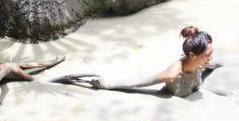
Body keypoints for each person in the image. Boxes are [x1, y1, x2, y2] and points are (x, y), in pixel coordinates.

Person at [54, 26, 215, 98]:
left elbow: (215, 65)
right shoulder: (173, 73)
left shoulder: (202, 63)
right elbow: (142, 81)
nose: (211, 57)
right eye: (208, 54)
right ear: (193, 55)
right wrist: (109, 84)